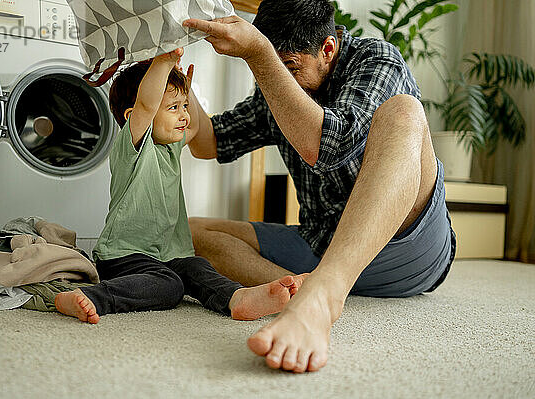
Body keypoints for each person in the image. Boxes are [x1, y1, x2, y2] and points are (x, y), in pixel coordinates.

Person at [182, 0, 455, 373]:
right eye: (275, 66)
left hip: (408, 246)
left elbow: (326, 147)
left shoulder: (376, 59)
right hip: (321, 244)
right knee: (190, 232)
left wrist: (261, 55)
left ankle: (323, 297)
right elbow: (207, 141)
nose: (281, 77)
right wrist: (180, 78)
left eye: (289, 66)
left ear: (327, 49)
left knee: (403, 110)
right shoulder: (278, 80)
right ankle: (295, 289)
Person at [54, 48, 304, 324]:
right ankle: (93, 296)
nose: (183, 115)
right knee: (170, 286)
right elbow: (147, 106)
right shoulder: (134, 146)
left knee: (197, 267)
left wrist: (187, 91)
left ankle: (238, 298)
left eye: (183, 107)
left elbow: (195, 128)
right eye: (174, 108)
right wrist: (164, 62)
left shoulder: (170, 148)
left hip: (169, 255)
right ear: (131, 116)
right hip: (125, 256)